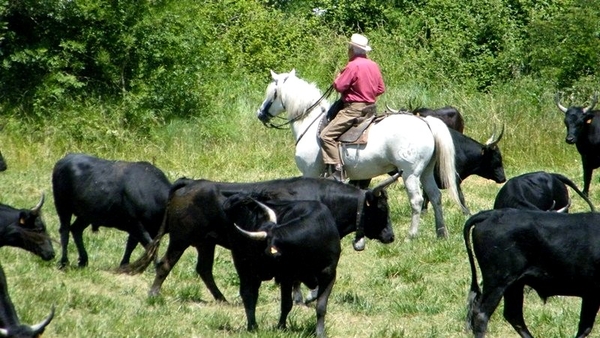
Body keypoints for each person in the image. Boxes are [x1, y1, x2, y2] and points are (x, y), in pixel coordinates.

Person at [320, 33, 385, 181]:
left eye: (349, 48)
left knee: (326, 136)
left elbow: (339, 86)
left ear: (352, 49)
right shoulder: (374, 65)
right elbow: (380, 89)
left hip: (353, 110)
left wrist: (337, 77)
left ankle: (337, 170)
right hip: (370, 109)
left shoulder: (352, 66)